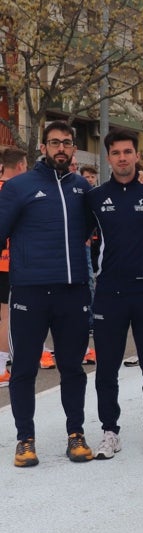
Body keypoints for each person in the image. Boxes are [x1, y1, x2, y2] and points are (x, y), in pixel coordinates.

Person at [0, 122, 94, 465]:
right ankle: (25, 438)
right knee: (24, 367)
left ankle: (76, 434)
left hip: (72, 291)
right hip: (29, 291)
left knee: (72, 367)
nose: (61, 148)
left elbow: (97, 227)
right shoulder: (18, 187)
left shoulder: (82, 187)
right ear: (43, 147)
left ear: (73, 149)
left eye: (67, 143)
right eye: (54, 142)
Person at [85, 132, 143, 459]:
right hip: (108, 292)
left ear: (136, 156)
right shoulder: (94, 197)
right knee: (106, 368)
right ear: (108, 158)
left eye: (127, 152)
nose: (122, 158)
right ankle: (110, 432)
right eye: (116, 153)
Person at [0, 146, 29, 388]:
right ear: (20, 165)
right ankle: (1, 367)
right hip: (8, 261)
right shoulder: (16, 191)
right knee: (6, 314)